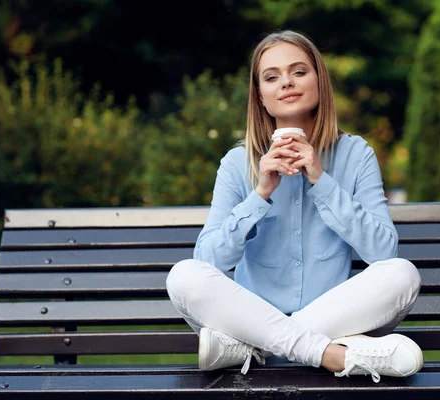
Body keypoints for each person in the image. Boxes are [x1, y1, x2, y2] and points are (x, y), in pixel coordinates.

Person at [166, 29, 423, 383]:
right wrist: (259, 195)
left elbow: (382, 251)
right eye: (272, 77)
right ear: (260, 96)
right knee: (184, 275)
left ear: (319, 80)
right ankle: (330, 354)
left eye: (299, 71)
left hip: (326, 318)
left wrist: (321, 179)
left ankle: (255, 349)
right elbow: (209, 261)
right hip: (274, 320)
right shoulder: (237, 162)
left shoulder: (355, 154)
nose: (286, 82)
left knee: (402, 274)